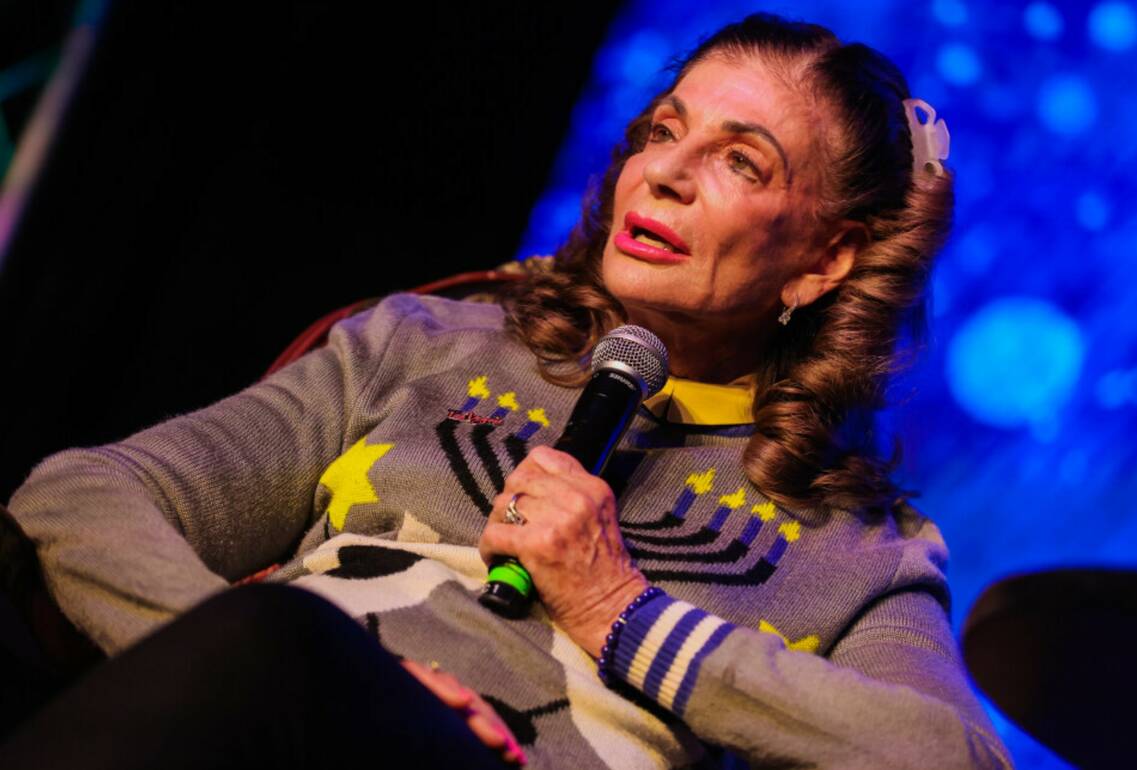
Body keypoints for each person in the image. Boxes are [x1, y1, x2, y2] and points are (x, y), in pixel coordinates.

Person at [3, 13, 1011, 769]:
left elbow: (950, 754)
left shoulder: (855, 544)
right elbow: (78, 494)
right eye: (664, 131)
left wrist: (622, 608)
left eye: (740, 159)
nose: (663, 173)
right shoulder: (432, 344)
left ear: (824, 260)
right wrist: (241, 655)